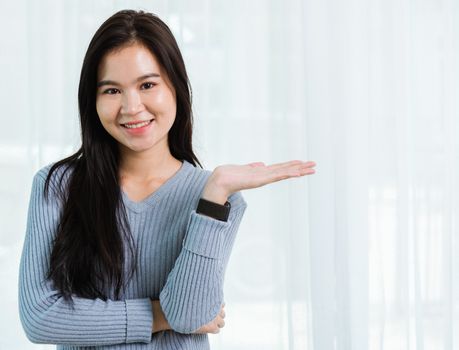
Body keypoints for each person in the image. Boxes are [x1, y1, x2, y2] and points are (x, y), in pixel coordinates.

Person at [18, 9, 316, 350]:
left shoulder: (217, 197)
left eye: (147, 85)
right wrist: (157, 315)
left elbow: (189, 315)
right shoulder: (57, 186)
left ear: (175, 87)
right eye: (112, 90)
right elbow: (40, 317)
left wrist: (214, 195)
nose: (131, 107)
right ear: (93, 101)